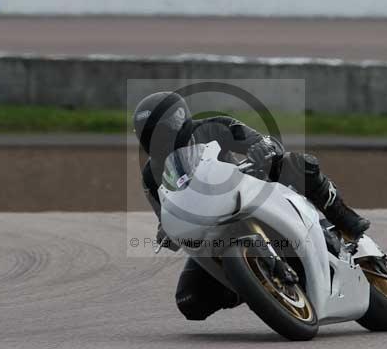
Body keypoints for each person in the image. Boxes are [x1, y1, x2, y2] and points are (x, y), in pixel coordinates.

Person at [133, 91, 370, 321]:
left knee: (292, 163)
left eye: (158, 132)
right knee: (190, 302)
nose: (154, 139)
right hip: (212, 230)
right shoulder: (151, 176)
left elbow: (263, 141)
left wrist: (262, 148)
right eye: (147, 134)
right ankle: (253, 282)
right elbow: (165, 211)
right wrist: (166, 231)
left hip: (251, 191)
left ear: (177, 120)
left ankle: (343, 217)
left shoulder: (214, 126)